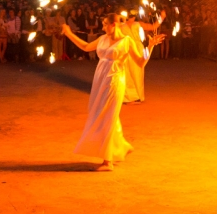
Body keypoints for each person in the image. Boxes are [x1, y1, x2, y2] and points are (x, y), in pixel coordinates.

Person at [61, 14, 165, 171]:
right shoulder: (103, 39)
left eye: (105, 24)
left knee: (108, 115)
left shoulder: (127, 41)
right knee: (99, 113)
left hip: (115, 80)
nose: (102, 27)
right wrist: (69, 34)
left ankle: (107, 161)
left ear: (114, 24)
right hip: (100, 79)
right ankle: (121, 145)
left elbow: (140, 62)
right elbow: (86, 46)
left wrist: (149, 47)